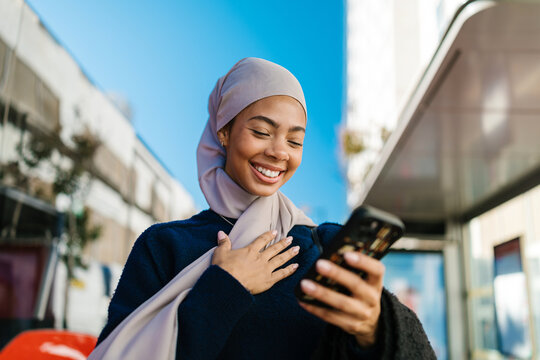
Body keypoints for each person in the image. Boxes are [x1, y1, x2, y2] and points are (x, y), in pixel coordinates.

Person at [90, 58, 435, 360]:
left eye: (294, 141)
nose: (279, 152)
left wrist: (375, 328)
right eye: (261, 131)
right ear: (223, 131)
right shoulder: (164, 247)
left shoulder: (324, 245)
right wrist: (226, 286)